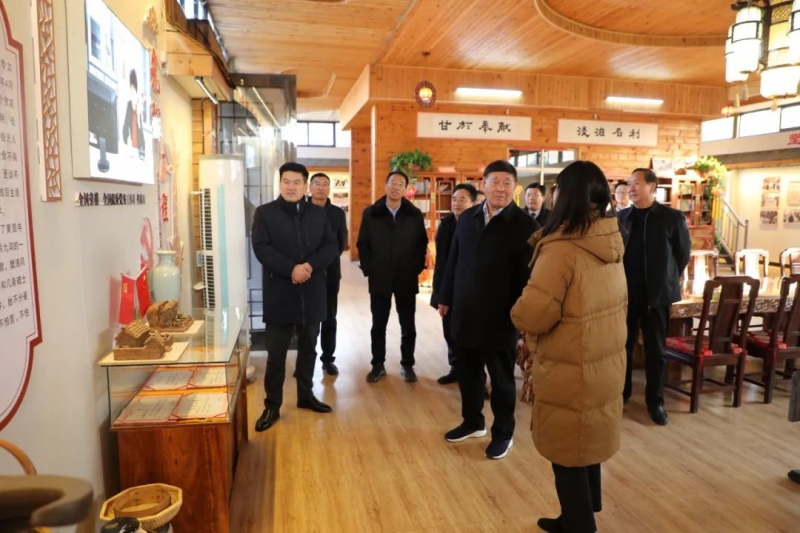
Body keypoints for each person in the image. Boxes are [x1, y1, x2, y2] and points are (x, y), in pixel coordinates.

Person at [511, 160, 626, 533]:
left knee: (567, 450)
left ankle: (578, 524)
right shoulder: (608, 237)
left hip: (571, 364)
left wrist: (515, 311)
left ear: (567, 195)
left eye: (557, 188)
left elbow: (534, 315)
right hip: (602, 361)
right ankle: (582, 512)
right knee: (585, 441)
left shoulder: (562, 248)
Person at [439, 160, 539, 460]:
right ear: (483, 184)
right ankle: (473, 422)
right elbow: (453, 260)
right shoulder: (468, 218)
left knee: (502, 379)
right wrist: (445, 296)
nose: (500, 188)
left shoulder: (525, 225)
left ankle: (503, 433)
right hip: (465, 309)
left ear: (515, 188)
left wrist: (524, 316)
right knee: (468, 373)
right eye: (495, 181)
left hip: (502, 316)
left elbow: (531, 277)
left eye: (507, 183)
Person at [251, 162, 338, 432]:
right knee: (276, 355)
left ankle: (305, 395)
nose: (291, 187)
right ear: (279, 183)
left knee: (309, 349)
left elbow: (331, 246)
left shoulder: (318, 214)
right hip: (280, 292)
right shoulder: (265, 213)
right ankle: (272, 405)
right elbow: (261, 248)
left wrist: (308, 267)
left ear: (305, 185)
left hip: (312, 292)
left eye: (296, 182)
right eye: (286, 181)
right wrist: (291, 269)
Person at [619, 168, 691, 426]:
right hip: (625, 295)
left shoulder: (671, 217)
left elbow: (682, 255)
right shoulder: (621, 217)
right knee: (622, 348)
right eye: (629, 184)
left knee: (656, 350)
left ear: (652, 187)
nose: (631, 188)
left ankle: (655, 402)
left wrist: (665, 278)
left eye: (636, 183)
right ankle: (622, 394)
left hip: (656, 295)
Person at [357, 170, 428, 383]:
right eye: (392, 183)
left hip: (406, 277)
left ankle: (407, 365)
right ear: (385, 186)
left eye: (400, 184)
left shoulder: (414, 214)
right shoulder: (371, 213)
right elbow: (363, 243)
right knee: (379, 324)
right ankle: (377, 364)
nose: (396, 187)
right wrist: (370, 269)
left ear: (406, 189)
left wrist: (415, 268)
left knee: (408, 325)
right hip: (380, 277)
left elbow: (421, 244)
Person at [430, 183, 478, 385]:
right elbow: (441, 263)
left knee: (471, 336)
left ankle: (476, 378)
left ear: (473, 203)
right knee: (449, 331)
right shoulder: (447, 224)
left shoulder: (478, 225)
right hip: (447, 287)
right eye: (454, 199)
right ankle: (455, 369)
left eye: (462, 199)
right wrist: (440, 295)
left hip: (469, 290)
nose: (456, 203)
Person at [308, 172, 348, 376]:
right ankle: (306, 361)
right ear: (309, 187)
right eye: (317, 184)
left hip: (330, 272)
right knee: (307, 319)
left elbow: (341, 244)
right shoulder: (301, 210)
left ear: (329, 188)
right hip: (305, 273)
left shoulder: (337, 214)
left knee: (329, 317)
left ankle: (328, 359)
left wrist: (322, 261)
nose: (321, 188)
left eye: (325, 184)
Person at [121, 69, 145, 158]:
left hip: (139, 148)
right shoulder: (129, 105)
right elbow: (125, 126)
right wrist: (127, 139)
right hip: (130, 148)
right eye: (131, 91)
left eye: (134, 91)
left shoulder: (140, 107)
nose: (132, 94)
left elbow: (141, 131)